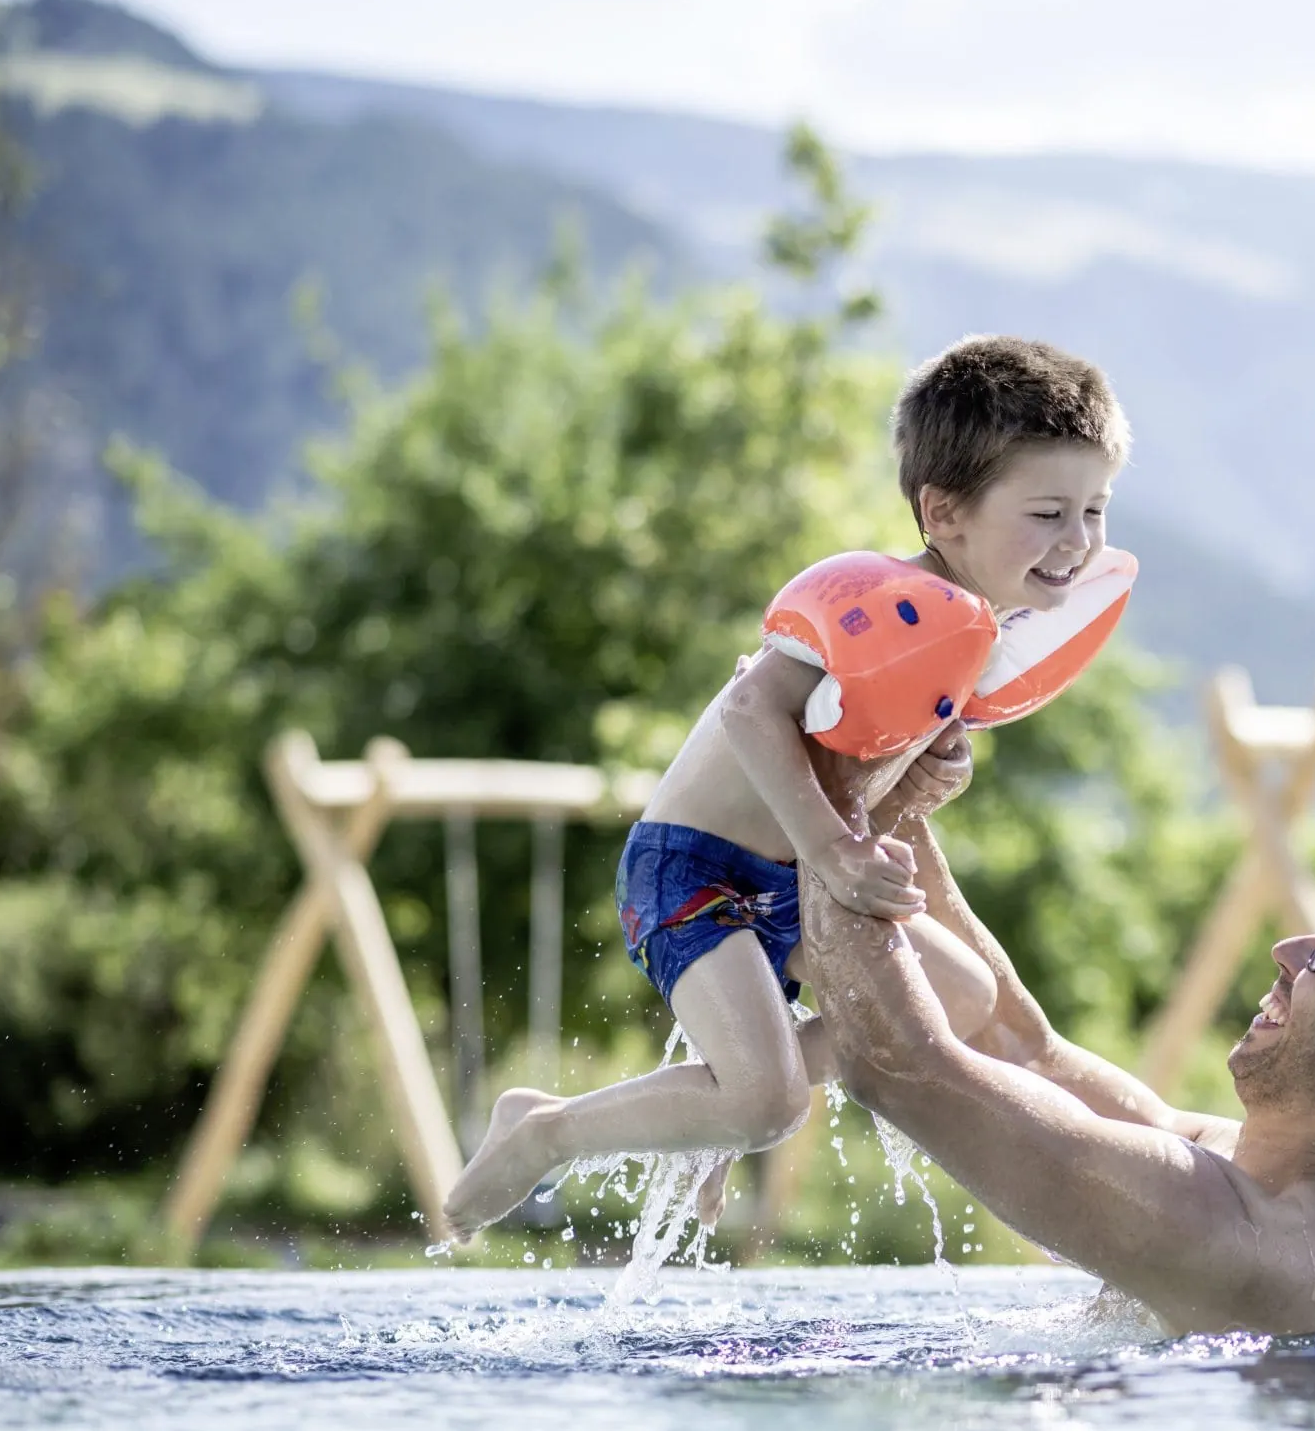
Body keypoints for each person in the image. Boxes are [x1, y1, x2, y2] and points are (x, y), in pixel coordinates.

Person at [444, 336, 1134, 1238]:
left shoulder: (971, 641)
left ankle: (714, 1105)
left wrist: (917, 786)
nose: (1077, 542)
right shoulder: (880, 602)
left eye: (1095, 510)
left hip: (792, 880)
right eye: (1048, 513)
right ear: (944, 512)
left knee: (962, 1001)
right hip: (694, 871)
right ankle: (544, 1130)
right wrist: (838, 853)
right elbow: (748, 713)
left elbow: (848, 775)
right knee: (771, 1105)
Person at [801, 792, 1315, 1337]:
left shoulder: (1245, 1245)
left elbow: (898, 1066)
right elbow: (1023, 1046)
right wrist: (895, 795)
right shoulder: (1261, 1184)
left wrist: (812, 807)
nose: (1289, 950)